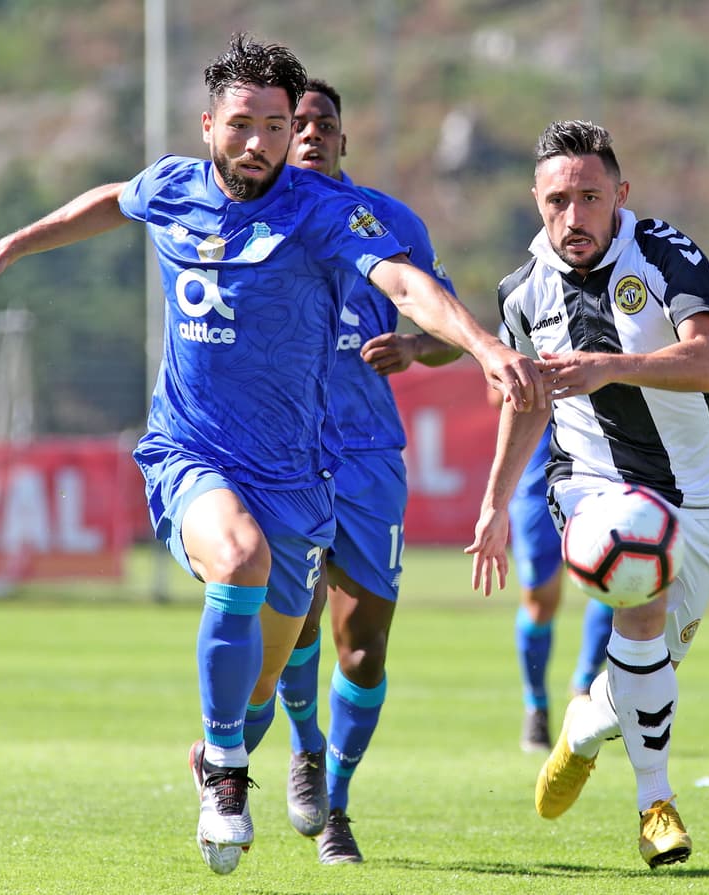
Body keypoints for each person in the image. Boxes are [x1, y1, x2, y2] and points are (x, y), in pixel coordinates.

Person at [0, 34, 543, 876]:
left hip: (296, 476)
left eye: (274, 126)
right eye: (241, 125)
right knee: (238, 556)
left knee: (265, 678)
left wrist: (482, 344)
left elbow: (407, 284)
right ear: (208, 125)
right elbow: (112, 200)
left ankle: (223, 749)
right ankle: (227, 774)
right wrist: (11, 243)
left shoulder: (320, 211)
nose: (258, 143)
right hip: (190, 451)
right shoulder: (174, 187)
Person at [466, 119, 709, 868]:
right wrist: (495, 502)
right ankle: (656, 805)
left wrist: (611, 364)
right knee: (640, 597)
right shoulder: (523, 292)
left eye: (590, 197)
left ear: (620, 195)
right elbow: (526, 402)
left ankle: (586, 724)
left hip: (702, 490)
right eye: (557, 200)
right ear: (536, 201)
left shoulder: (665, 255)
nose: (574, 215)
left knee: (649, 667)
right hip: (592, 482)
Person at [251, 78, 462, 864]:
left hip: (370, 457)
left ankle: (336, 802)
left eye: (324, 123)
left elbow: (449, 326)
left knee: (363, 646)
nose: (310, 133)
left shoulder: (392, 222)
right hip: (286, 455)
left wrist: (413, 346)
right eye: (296, 123)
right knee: (296, 619)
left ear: (344, 139)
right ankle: (307, 747)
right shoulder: (253, 217)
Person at [488, 381, 614, 753]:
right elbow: (496, 394)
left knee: (617, 583)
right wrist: (546, 380)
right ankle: (536, 704)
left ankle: (584, 688)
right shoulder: (531, 334)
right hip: (537, 482)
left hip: (604, 473)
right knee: (539, 603)